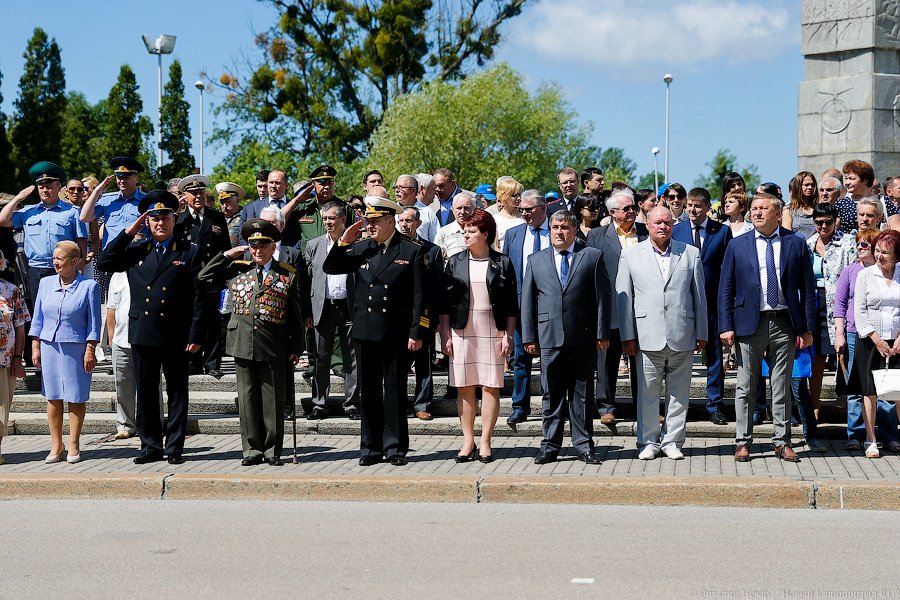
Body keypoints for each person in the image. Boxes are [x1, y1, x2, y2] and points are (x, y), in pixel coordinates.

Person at [97, 191, 204, 465]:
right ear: (147, 222)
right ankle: (150, 446)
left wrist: (196, 334)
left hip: (176, 333)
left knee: (177, 392)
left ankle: (175, 446)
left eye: (165, 217)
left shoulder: (189, 251)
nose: (160, 223)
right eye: (154, 219)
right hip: (143, 331)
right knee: (145, 392)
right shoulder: (137, 250)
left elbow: (199, 298)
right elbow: (105, 261)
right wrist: (128, 232)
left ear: (173, 219)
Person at [323, 197, 429, 467]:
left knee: (394, 392)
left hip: (395, 332)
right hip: (365, 331)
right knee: (368, 393)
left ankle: (394, 447)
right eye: (367, 221)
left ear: (390, 221)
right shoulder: (361, 248)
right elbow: (330, 267)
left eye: (375, 222)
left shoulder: (411, 250)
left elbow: (420, 297)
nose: (369, 226)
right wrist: (343, 242)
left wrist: (417, 332)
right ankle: (370, 448)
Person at [719, 192, 816, 463]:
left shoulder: (795, 243)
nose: (757, 212)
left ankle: (782, 441)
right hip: (748, 323)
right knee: (745, 386)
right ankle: (742, 441)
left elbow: (807, 288)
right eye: (754, 208)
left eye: (763, 208)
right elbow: (726, 288)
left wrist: (806, 329)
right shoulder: (738, 244)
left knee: (781, 384)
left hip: (784, 322)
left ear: (777, 213)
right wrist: (726, 325)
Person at [199, 219, 304, 466]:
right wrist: (227, 255)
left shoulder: (286, 274)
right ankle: (252, 450)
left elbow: (295, 314)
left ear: (273, 247)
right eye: (253, 246)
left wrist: (297, 347)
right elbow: (204, 276)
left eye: (263, 246)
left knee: (272, 400)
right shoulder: (237, 270)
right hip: (243, 342)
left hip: (273, 343)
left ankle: (272, 450)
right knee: (247, 399)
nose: (257, 251)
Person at [522, 210, 611, 465]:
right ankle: (550, 445)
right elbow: (527, 301)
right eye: (555, 227)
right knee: (551, 394)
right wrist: (529, 336)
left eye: (564, 227)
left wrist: (602, 333)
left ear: (573, 230)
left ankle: (583, 445)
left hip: (582, 337)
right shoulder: (536, 260)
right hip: (549, 337)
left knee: (582, 395)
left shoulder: (592, 256)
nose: (559, 232)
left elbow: (603, 299)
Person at [618, 207, 706, 460]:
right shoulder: (631, 254)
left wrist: (702, 331)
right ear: (647, 224)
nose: (663, 227)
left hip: (682, 332)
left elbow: (699, 296)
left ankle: (672, 441)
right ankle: (648, 441)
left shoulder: (690, 253)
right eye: (658, 222)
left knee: (680, 393)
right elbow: (623, 298)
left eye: (667, 222)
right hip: (646, 334)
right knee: (647, 392)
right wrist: (627, 336)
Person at [440, 210, 516, 463]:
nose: (466, 235)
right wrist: (445, 334)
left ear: (485, 234)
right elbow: (445, 303)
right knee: (464, 386)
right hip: (462, 330)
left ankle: (485, 441)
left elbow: (511, 304)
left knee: (490, 385)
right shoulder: (455, 262)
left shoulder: (503, 262)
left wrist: (508, 335)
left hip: (493, 329)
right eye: (465, 230)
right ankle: (467, 440)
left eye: (471, 231)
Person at [29, 240, 101, 464]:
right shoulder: (45, 283)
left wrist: (90, 349)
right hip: (49, 344)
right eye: (54, 258)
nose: (55, 263)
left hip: (76, 346)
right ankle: (56, 445)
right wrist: (35, 346)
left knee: (75, 396)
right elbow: (38, 317)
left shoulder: (89, 286)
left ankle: (74, 444)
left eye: (60, 259)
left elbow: (94, 323)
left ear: (75, 261)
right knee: (53, 396)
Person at [834, 228, 900, 453]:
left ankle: (893, 435)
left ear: (896, 255)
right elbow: (859, 311)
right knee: (869, 391)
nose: (879, 256)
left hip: (896, 342)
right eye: (877, 251)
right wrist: (877, 339)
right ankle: (870, 439)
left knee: (896, 392)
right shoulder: (865, 275)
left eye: (885, 253)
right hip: (870, 342)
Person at [586, 188, 647, 424]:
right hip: (609, 307)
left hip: (641, 308)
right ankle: (606, 407)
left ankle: (644, 406)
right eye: (626, 208)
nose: (632, 211)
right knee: (606, 361)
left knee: (641, 362)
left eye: (634, 207)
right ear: (612, 212)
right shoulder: (597, 236)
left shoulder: (645, 232)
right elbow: (590, 273)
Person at [672, 187, 732, 425]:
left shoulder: (722, 231)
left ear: (708, 207)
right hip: (684, 304)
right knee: (682, 357)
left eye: (697, 206)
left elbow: (728, 268)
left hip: (713, 302)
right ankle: (680, 406)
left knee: (715, 356)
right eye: (689, 206)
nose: (692, 210)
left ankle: (715, 405)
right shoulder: (677, 230)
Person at [0, 162, 88, 312]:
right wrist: (17, 199)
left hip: (64, 269)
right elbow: (2, 220)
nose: (45, 190)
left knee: (64, 310)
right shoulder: (28, 212)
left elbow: (82, 242)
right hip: (37, 269)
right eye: (41, 187)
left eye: (49, 186)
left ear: (59, 187)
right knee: (39, 311)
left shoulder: (72, 211)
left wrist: (79, 266)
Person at [304, 201, 360, 420]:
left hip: (349, 306)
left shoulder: (355, 244)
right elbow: (308, 279)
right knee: (320, 358)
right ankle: (319, 404)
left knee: (352, 358)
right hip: (323, 307)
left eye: (332, 218)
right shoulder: (314, 245)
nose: (328, 222)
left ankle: (352, 403)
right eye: (325, 218)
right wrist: (308, 313)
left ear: (343, 219)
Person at [177, 175, 232, 378]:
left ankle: (212, 363)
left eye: (201, 192)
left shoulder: (216, 217)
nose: (198, 196)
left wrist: (223, 277)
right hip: (187, 279)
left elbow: (225, 248)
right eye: (193, 193)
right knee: (189, 320)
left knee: (212, 321)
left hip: (211, 277)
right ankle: (191, 362)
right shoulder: (179, 219)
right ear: (185, 196)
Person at [503, 190, 550, 428]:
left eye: (529, 209)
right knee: (521, 359)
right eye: (521, 209)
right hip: (522, 307)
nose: (524, 213)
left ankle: (550, 406)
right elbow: (506, 271)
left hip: (550, 307)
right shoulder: (513, 234)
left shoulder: (557, 230)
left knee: (550, 361)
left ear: (543, 208)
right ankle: (519, 407)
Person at [397, 206, 445, 421]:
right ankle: (398, 404)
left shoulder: (431, 250)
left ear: (418, 223)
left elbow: (438, 286)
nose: (404, 225)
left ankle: (422, 404)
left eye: (408, 221)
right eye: (401, 221)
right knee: (398, 363)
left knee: (424, 362)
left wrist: (437, 317)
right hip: (397, 316)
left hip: (423, 315)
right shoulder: (393, 247)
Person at [79, 157, 146, 250]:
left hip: (137, 253)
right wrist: (97, 190)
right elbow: (84, 217)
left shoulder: (146, 200)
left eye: (126, 177)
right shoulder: (107, 200)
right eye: (119, 177)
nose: (122, 181)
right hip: (111, 254)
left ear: (136, 178)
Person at [0, 251, 28, 465]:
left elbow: (20, 328)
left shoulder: (11, 291)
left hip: (5, 360)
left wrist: (18, 358)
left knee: (2, 408)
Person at [394, 174, 438, 243]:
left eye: (401, 187)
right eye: (396, 187)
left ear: (413, 191)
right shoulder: (391, 211)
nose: (397, 190)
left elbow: (436, 240)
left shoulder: (428, 212)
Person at [434, 192, 476, 261]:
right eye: (459, 208)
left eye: (466, 208)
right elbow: (437, 261)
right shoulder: (443, 233)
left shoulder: (481, 232)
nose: (462, 212)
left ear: (474, 210)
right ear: (452, 210)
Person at [490, 177, 524, 251]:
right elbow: (495, 247)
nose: (519, 198)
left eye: (520, 194)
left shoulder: (525, 217)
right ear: (504, 196)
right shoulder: (495, 219)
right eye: (514, 195)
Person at [783, 171, 819, 239]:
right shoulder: (788, 210)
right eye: (806, 185)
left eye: (812, 185)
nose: (810, 187)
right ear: (798, 187)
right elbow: (787, 237)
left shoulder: (818, 209)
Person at [216, 182, 245, 248]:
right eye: (222, 203)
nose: (224, 206)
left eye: (228, 202)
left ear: (237, 200)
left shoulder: (246, 216)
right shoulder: (217, 218)